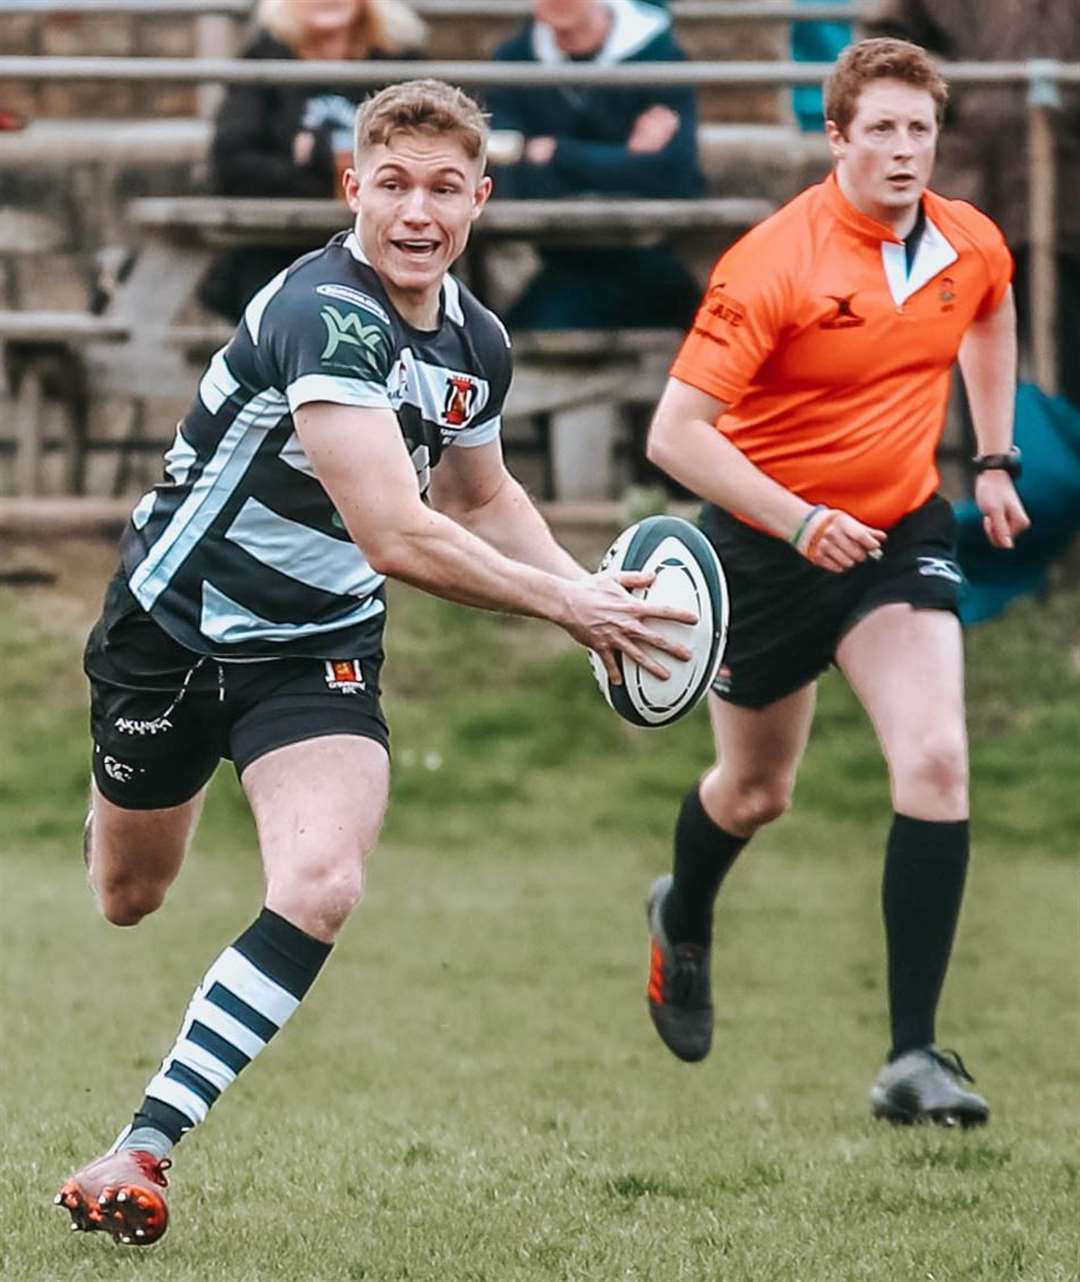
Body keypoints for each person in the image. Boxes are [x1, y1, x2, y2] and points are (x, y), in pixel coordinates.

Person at [55, 78, 694, 1248]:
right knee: (128, 895)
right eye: (393, 183)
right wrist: (568, 607)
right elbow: (396, 533)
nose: (417, 209)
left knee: (324, 882)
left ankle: (140, 1147)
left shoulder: (475, 343)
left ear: (480, 200)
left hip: (318, 647)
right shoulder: (324, 311)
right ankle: (113, 807)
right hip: (175, 630)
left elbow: (481, 492)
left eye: (445, 187)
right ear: (353, 187)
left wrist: (591, 595)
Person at [641, 38, 1030, 1126]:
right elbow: (676, 435)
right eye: (883, 130)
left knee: (938, 757)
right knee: (758, 792)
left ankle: (914, 1057)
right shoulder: (773, 261)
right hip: (767, 547)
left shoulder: (967, 241)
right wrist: (797, 518)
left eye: (921, 130)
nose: (905, 150)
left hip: (898, 528)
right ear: (837, 137)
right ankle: (686, 910)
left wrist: (991, 458)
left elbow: (992, 311)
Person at [865, 0, 1080, 408]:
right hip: (974, 193)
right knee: (982, 368)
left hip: (1069, 198)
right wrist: (960, 95)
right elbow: (886, 49)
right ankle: (988, 466)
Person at [199, 0, 427, 321]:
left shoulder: (401, 63)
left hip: (384, 248)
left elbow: (428, 157)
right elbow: (231, 163)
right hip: (280, 249)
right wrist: (329, 178)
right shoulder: (263, 61)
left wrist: (314, 160)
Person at [483, 0, 706, 330]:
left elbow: (674, 174)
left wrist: (556, 153)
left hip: (643, 252)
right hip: (560, 255)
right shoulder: (513, 59)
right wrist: (628, 158)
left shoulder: (661, 57)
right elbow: (512, 175)